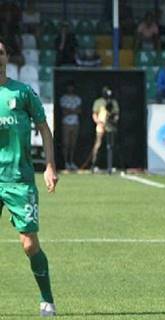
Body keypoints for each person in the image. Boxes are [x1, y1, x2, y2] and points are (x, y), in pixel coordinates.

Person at [0, 39, 59, 317]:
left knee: (29, 244)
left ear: (7, 57)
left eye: (0, 52)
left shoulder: (22, 92)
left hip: (19, 180)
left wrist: (49, 165)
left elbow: (45, 129)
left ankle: (47, 299)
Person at [88, 87, 119, 172]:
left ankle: (111, 165)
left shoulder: (113, 102)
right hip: (101, 126)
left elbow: (116, 114)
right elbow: (94, 114)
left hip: (111, 127)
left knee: (111, 146)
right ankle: (94, 165)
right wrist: (98, 122)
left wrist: (113, 119)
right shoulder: (98, 102)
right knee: (98, 145)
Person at [60, 82, 82, 170]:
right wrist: (73, 110)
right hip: (66, 123)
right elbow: (64, 111)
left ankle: (71, 161)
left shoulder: (78, 99)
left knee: (73, 144)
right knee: (66, 143)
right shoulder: (63, 98)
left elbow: (79, 111)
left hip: (75, 123)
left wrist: (70, 111)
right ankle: (65, 162)